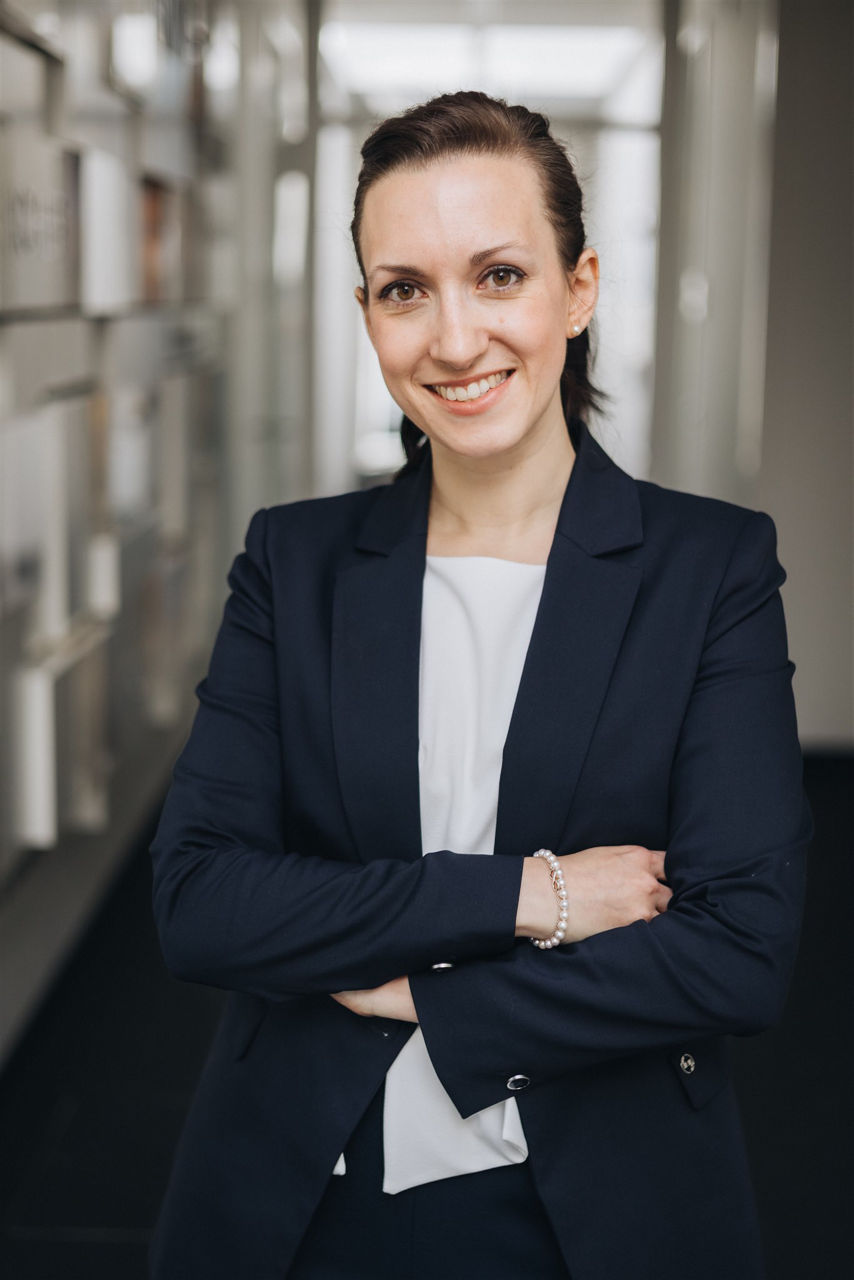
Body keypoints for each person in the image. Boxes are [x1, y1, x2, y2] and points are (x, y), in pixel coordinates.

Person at [148, 92, 811, 1280]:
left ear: (578, 288)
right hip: (301, 1195)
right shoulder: (294, 562)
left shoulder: (708, 567)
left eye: (497, 275)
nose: (453, 341)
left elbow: (735, 951)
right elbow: (201, 899)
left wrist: (421, 995)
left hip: (593, 1205)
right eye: (404, 289)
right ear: (366, 312)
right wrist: (530, 894)